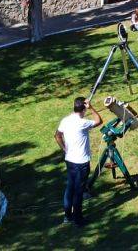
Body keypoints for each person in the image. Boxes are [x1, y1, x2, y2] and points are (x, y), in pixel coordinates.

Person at [54, 97, 102, 227]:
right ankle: (78, 220)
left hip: (69, 160)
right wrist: (91, 107)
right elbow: (99, 121)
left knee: (70, 188)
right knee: (78, 192)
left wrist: (65, 149)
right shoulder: (83, 123)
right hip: (81, 164)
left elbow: (57, 136)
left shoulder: (65, 120)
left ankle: (67, 217)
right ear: (84, 108)